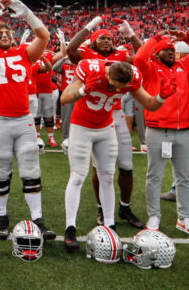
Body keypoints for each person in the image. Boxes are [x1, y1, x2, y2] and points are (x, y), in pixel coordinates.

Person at [60, 59, 173, 250]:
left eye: (121, 88)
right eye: (113, 86)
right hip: (82, 127)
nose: (115, 90)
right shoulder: (90, 68)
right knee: (78, 176)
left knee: (107, 176)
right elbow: (64, 98)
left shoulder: (133, 77)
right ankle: (70, 227)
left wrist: (161, 97)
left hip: (106, 128)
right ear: (107, 75)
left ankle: (109, 225)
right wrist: (83, 90)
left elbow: (150, 104)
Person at [0, 0, 54, 240]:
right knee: (1, 170)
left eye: (7, 32)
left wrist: (27, 14)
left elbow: (43, 37)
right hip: (0, 120)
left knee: (31, 169)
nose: (4, 35)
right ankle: (1, 216)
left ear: (14, 37)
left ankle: (38, 218)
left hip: (24, 119)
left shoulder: (24, 52)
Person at [66, 16, 144, 228]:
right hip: (91, 117)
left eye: (110, 38)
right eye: (102, 38)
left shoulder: (121, 55)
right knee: (98, 167)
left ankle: (124, 207)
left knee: (126, 165)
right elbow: (70, 49)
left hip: (115, 115)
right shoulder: (87, 56)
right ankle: (102, 209)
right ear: (93, 43)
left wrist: (130, 33)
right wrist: (90, 27)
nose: (108, 40)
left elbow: (144, 56)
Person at [133, 29, 189, 236]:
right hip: (157, 129)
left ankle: (185, 218)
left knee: (184, 176)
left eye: (172, 50)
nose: (170, 53)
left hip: (183, 130)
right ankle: (154, 215)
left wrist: (188, 38)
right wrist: (156, 37)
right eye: (165, 51)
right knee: (154, 175)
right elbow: (139, 56)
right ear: (156, 53)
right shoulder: (149, 68)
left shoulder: (183, 65)